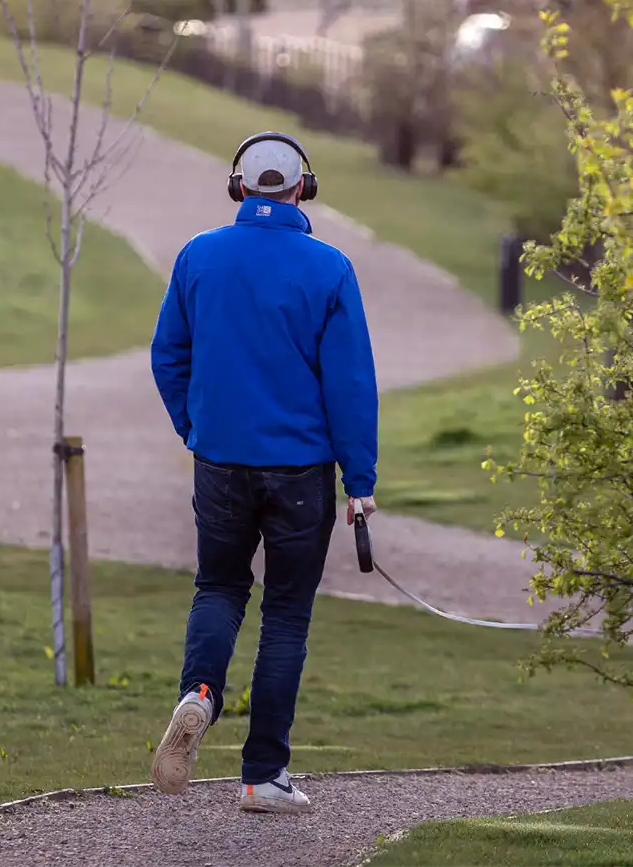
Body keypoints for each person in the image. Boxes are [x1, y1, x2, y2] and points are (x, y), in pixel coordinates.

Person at [148, 131, 379, 813]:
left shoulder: (198, 257)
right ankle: (262, 777)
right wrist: (359, 482)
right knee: (285, 614)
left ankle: (200, 694)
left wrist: (194, 428)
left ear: (238, 188)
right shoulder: (331, 268)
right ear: (302, 188)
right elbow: (350, 385)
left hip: (220, 463)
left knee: (219, 587)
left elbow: (169, 357)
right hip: (301, 474)